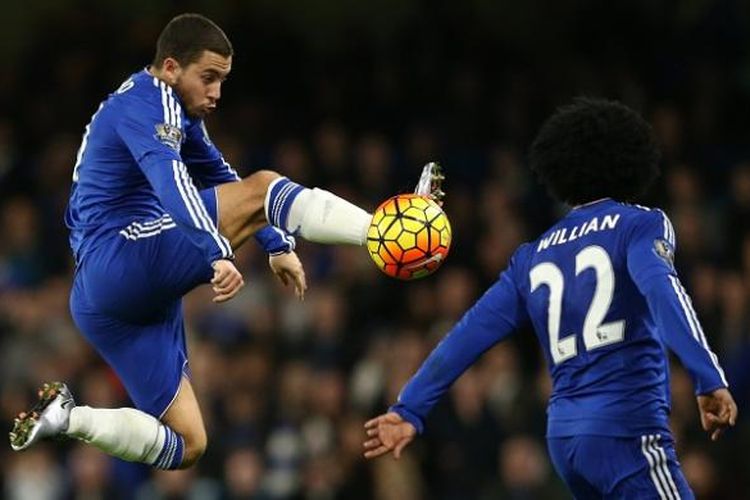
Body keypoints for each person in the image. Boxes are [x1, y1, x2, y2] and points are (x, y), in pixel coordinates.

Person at [8, 13, 443, 471]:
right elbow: (172, 182)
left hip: (106, 302)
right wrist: (215, 252)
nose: (216, 93)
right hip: (119, 256)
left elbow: (218, 174)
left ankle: (70, 418)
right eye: (209, 78)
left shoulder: (174, 109)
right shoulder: (146, 103)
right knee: (265, 184)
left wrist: (276, 244)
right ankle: (388, 232)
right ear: (172, 67)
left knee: (187, 444)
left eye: (223, 80)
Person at [363, 97, 738, 499]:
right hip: (626, 428)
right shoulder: (640, 224)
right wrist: (707, 376)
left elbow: (468, 334)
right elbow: (664, 292)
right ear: (631, 158)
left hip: (564, 439)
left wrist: (410, 408)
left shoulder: (532, 255)